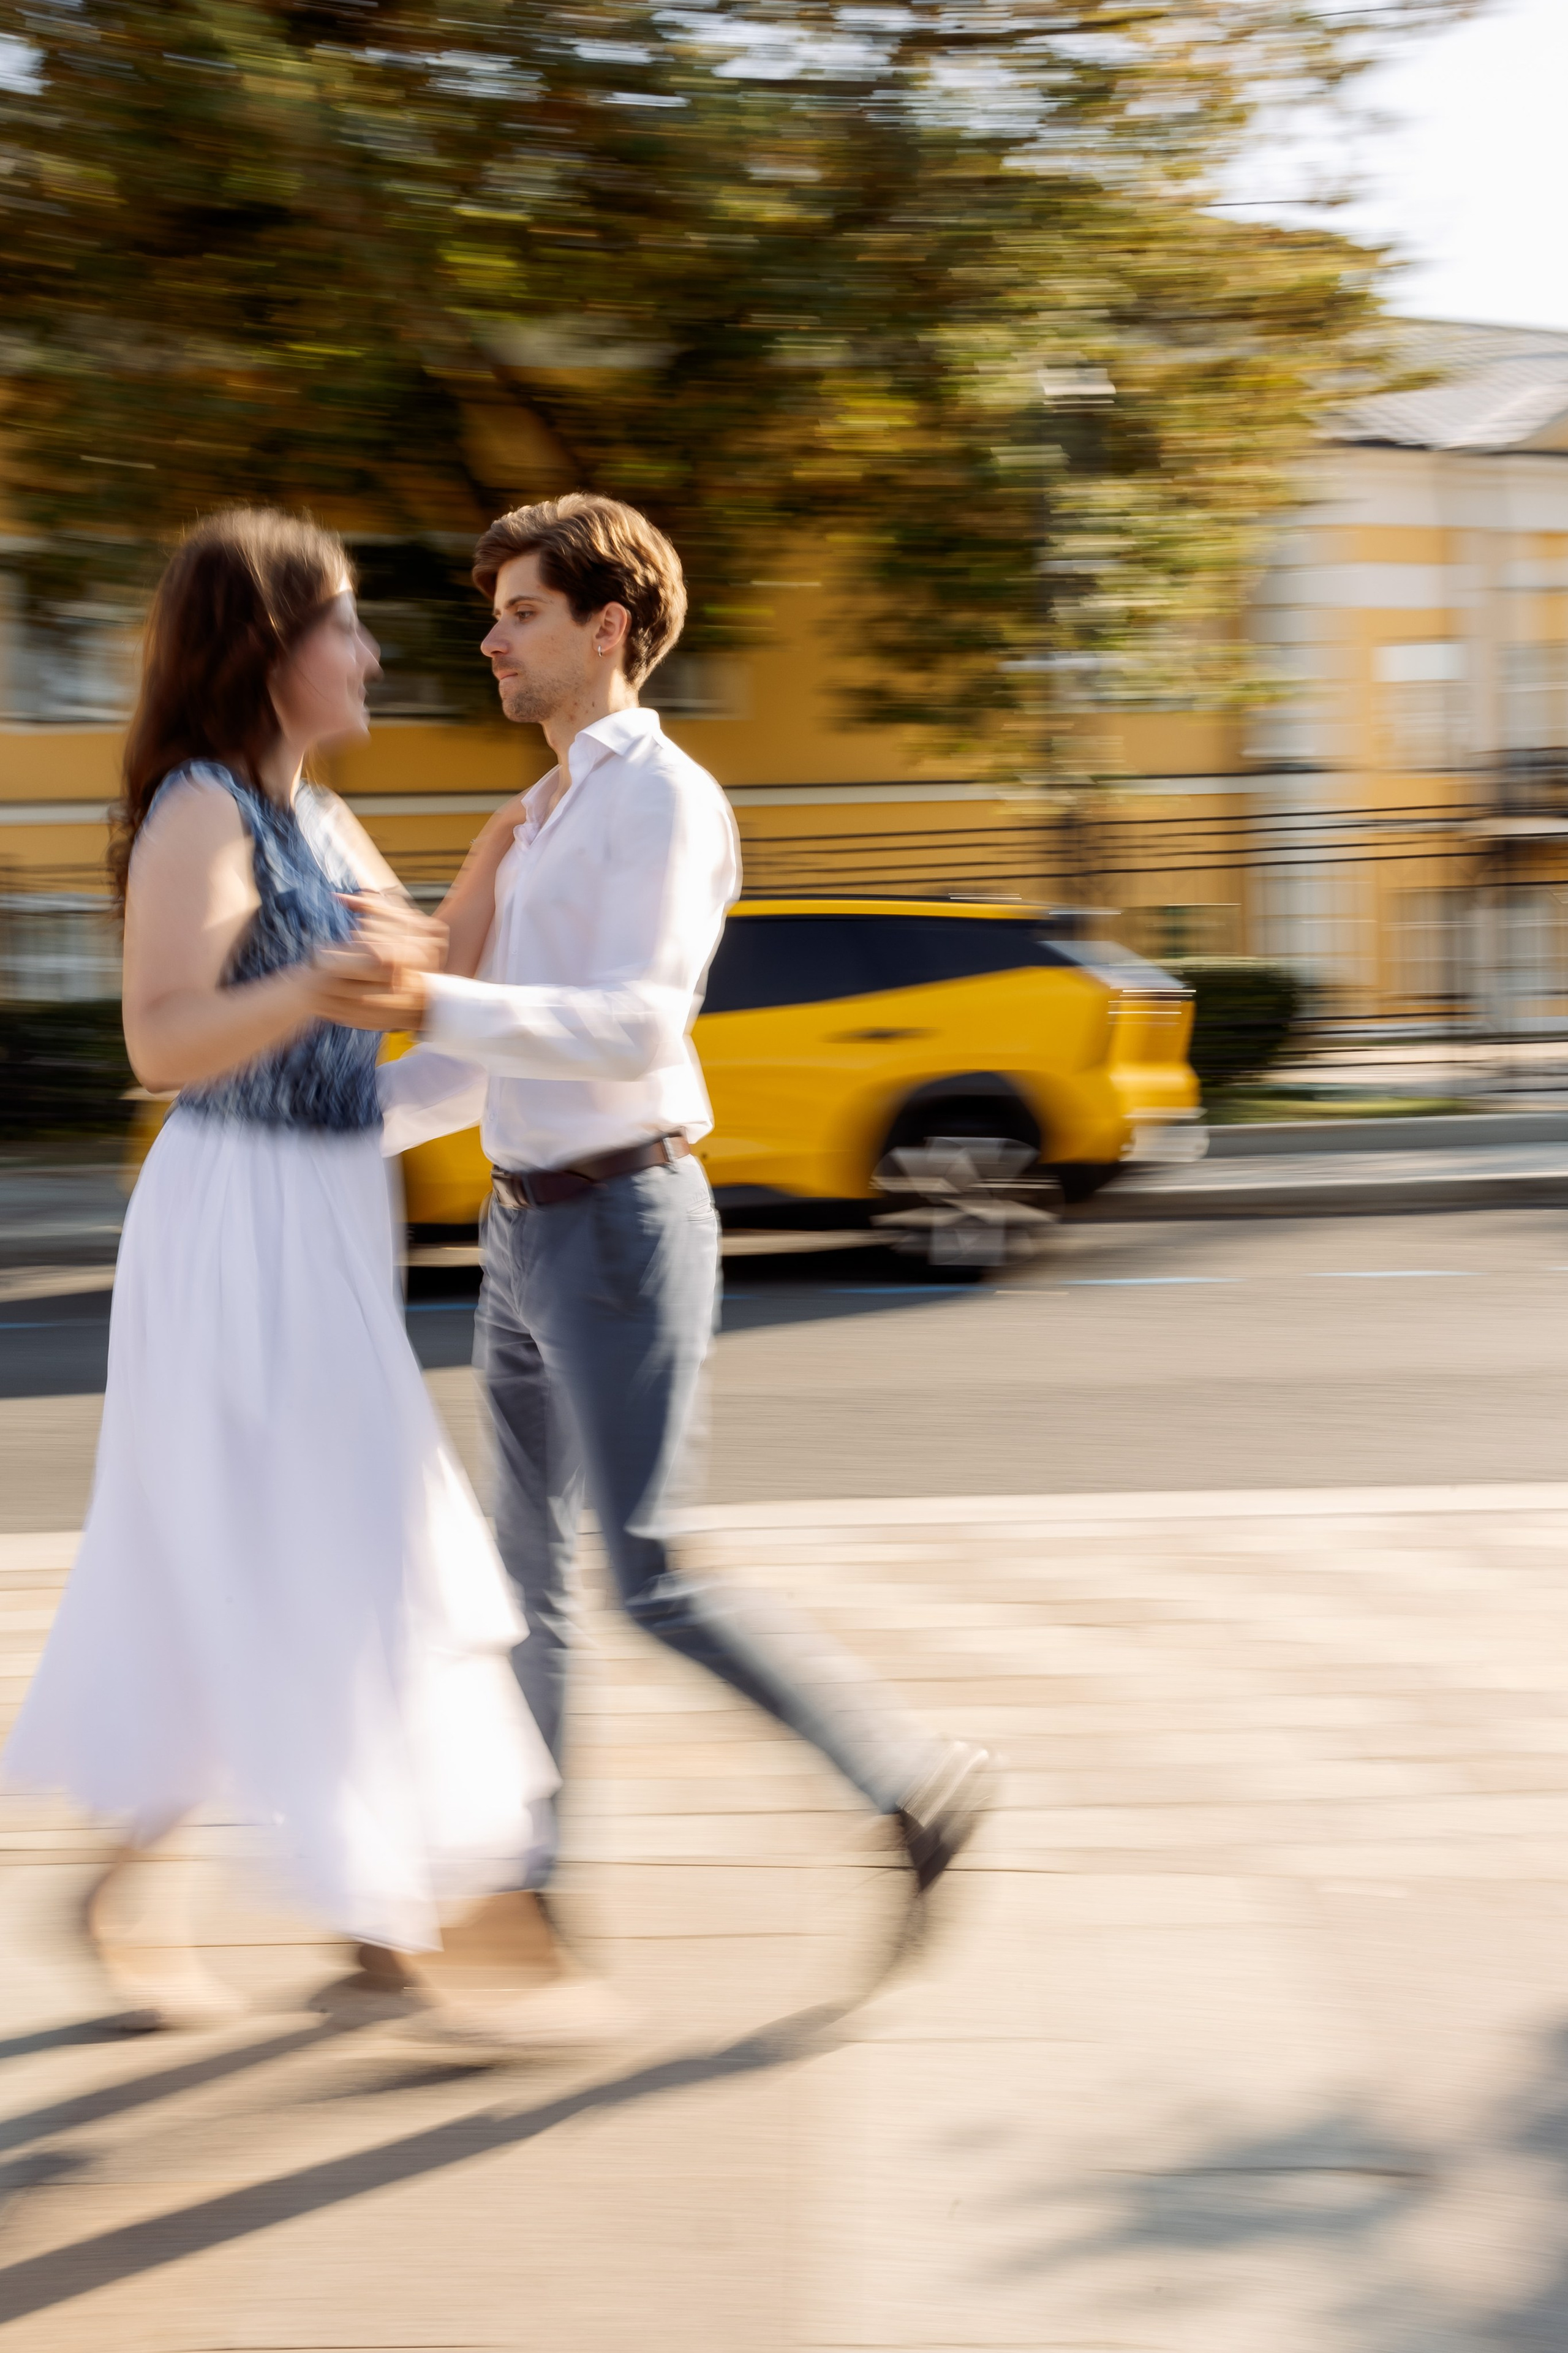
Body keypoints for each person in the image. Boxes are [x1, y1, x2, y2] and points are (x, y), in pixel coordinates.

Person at [323, 492, 991, 1973]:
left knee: (645, 1574)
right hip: (520, 1229)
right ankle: (526, 1891)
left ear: (608, 626)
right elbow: (469, 1067)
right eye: (493, 614)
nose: (492, 640)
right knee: (524, 1586)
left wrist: (427, 995)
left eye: (522, 614)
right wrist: (302, 1134)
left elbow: (633, 1024)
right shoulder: (542, 814)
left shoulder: (662, 799)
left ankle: (910, 1781)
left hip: (621, 1216)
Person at [2, 509, 562, 2040]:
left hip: (323, 1207)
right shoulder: (203, 809)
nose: (372, 654)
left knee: (276, 1542)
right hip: (233, 1219)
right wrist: (318, 980)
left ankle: (186, 1890)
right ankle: (397, 1914)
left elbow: (399, 1000)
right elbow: (161, 1039)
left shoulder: (313, 816)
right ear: (267, 649)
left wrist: (489, 879)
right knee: (337, 1540)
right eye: (346, 625)